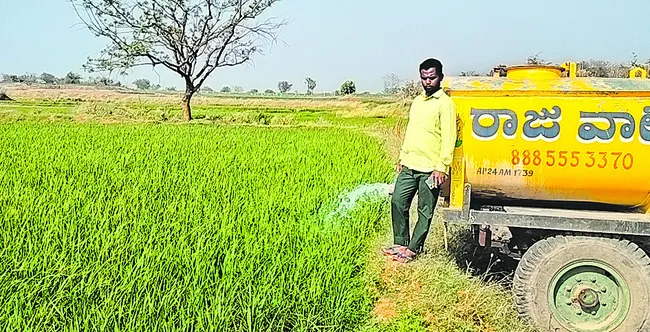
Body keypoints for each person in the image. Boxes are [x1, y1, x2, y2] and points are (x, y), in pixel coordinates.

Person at [382, 58, 457, 263]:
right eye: (424, 78)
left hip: (431, 169)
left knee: (424, 210)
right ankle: (400, 243)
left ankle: (413, 249)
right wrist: (402, 156)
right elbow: (411, 132)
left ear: (440, 77)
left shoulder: (445, 104)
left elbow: (450, 137)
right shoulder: (417, 101)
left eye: (432, 78)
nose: (427, 82)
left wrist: (442, 167)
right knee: (398, 200)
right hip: (410, 164)